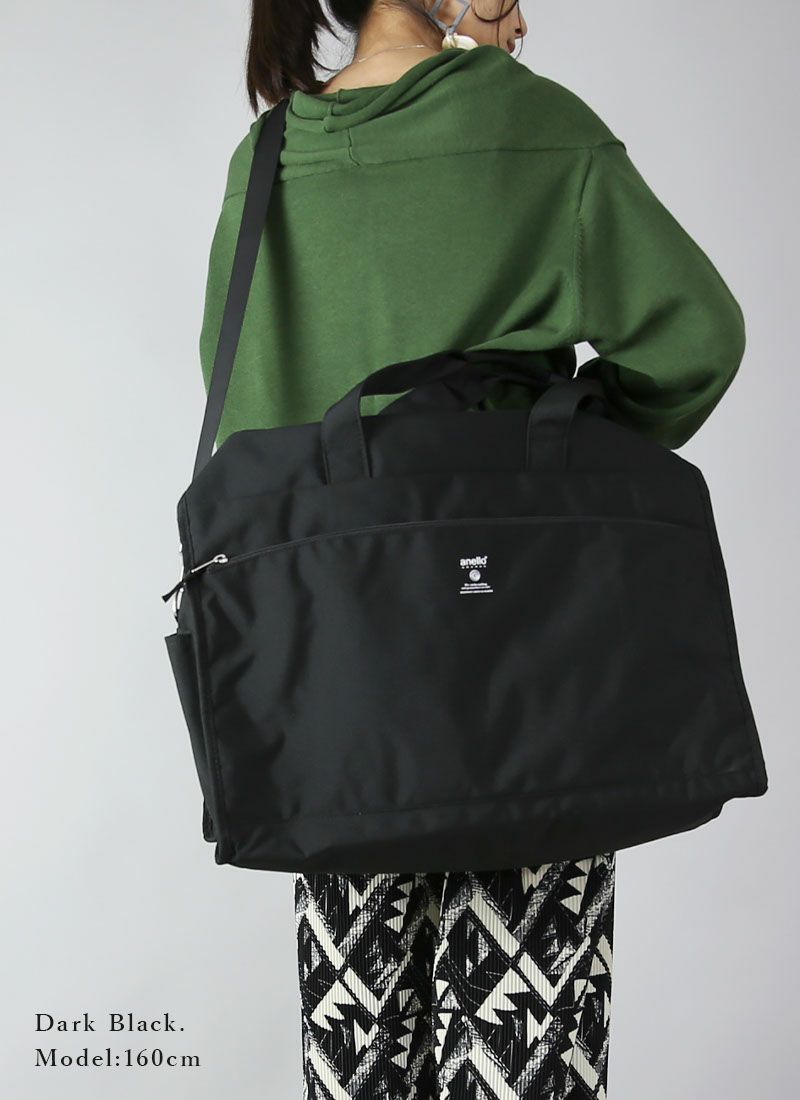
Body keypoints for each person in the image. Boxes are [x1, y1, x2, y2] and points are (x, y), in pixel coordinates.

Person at [197, 3, 747, 1096]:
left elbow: (247, 412)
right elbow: (699, 335)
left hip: (339, 709)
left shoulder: (265, 163)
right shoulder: (535, 127)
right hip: (523, 678)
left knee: (358, 1063)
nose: (522, 12)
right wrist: (554, 476)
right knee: (524, 1058)